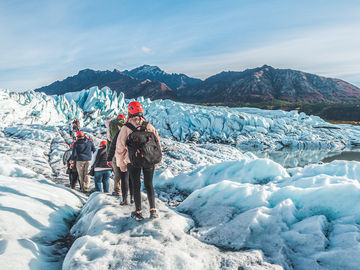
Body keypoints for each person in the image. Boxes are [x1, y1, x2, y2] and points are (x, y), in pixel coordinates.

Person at [115, 101, 162, 221]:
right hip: (149, 159)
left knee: (136, 185)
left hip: (132, 160)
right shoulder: (149, 126)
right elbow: (157, 143)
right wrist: (156, 158)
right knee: (149, 184)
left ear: (129, 111)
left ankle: (138, 212)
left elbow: (119, 148)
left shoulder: (126, 128)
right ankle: (153, 211)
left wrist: (121, 165)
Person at [107, 122, 134, 205]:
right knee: (132, 178)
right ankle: (132, 197)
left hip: (122, 158)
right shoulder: (135, 130)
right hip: (133, 158)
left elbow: (112, 145)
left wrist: (109, 158)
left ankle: (125, 199)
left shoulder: (119, 132)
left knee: (124, 177)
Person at [106, 114, 126, 196]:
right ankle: (127, 191)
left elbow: (109, 142)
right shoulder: (127, 125)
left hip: (114, 153)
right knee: (126, 171)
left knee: (117, 173)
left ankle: (117, 191)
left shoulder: (111, 126)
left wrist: (108, 157)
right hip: (125, 152)